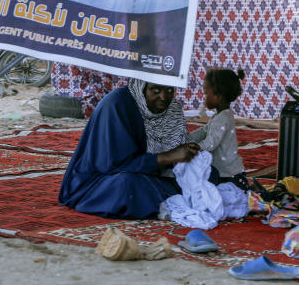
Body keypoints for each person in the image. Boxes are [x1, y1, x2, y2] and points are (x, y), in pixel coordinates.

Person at [58, 79, 200, 218]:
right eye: (156, 90)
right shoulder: (117, 105)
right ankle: (170, 199)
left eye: (170, 90)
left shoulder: (172, 109)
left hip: (151, 175)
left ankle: (168, 198)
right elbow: (113, 165)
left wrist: (186, 156)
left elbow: (175, 157)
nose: (163, 97)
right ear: (142, 86)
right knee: (127, 185)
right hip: (102, 179)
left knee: (208, 174)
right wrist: (167, 157)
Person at [188, 67, 249, 190]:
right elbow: (205, 131)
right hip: (224, 172)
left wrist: (196, 148)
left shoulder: (223, 118)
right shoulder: (220, 115)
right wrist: (187, 138)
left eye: (206, 94)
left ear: (219, 96)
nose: (205, 98)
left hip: (229, 175)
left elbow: (211, 142)